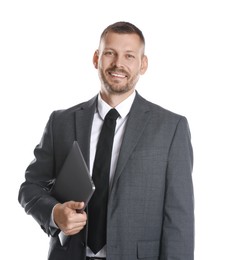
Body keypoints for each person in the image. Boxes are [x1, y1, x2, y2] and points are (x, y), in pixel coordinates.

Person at [18, 21, 194, 260]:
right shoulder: (61, 122)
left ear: (143, 64)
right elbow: (30, 187)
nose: (118, 64)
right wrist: (54, 213)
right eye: (110, 53)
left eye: (129, 56)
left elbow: (179, 221)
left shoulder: (171, 128)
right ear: (96, 58)